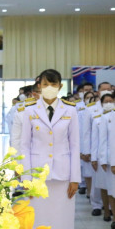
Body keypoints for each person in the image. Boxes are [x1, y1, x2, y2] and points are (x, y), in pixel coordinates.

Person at [20, 69, 80, 229]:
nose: (49, 87)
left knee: (62, 219)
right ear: (39, 86)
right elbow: (24, 145)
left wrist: (75, 178)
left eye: (53, 84)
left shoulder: (70, 111)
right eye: (46, 84)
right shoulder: (30, 110)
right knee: (37, 217)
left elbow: (75, 146)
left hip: (63, 175)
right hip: (37, 175)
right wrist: (26, 176)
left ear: (60, 86)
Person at [82, 81, 112, 215]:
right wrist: (87, 152)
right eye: (103, 89)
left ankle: (111, 208)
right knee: (98, 182)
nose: (107, 91)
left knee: (111, 183)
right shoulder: (91, 109)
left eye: (109, 89)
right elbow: (86, 132)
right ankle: (97, 205)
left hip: (111, 151)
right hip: (97, 150)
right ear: (98, 92)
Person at [93, 93, 114, 222]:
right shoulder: (99, 118)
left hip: (112, 156)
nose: (108, 103)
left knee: (112, 188)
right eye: (105, 101)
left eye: (110, 100)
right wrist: (96, 158)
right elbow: (97, 141)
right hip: (104, 158)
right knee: (105, 187)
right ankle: (106, 211)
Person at [101, 98, 115, 228]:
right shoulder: (108, 117)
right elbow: (104, 140)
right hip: (112, 161)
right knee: (112, 191)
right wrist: (105, 160)